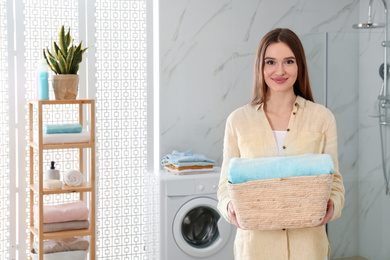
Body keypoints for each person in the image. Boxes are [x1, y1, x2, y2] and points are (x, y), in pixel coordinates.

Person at [217, 28, 345, 260]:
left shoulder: (322, 118)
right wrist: (229, 208)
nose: (280, 70)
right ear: (260, 66)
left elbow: (335, 181)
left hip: (308, 248)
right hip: (256, 248)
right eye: (270, 62)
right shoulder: (238, 121)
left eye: (288, 61)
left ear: (300, 66)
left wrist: (331, 207)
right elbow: (225, 186)